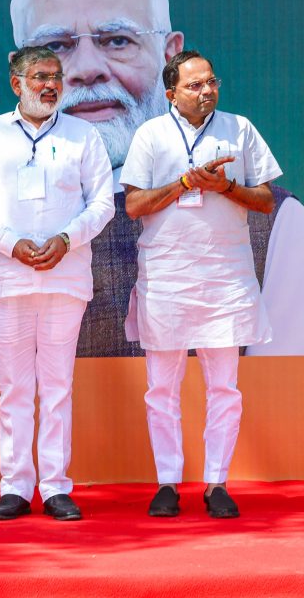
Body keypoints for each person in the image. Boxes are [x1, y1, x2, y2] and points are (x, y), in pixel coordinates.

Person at [0, 0, 303, 360]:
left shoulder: (276, 227)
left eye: (118, 40)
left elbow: (279, 408)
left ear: (169, 55)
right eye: (57, 47)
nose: (86, 69)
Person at [121, 51, 280, 519]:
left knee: (224, 387)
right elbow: (133, 205)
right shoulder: (150, 134)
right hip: (167, 277)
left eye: (211, 81)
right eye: (194, 85)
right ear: (170, 94)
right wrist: (184, 183)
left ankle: (216, 483)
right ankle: (167, 481)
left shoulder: (240, 128)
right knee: (161, 389)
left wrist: (225, 187)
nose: (206, 90)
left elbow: (266, 199)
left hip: (224, 277)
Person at [0, 47, 113, 521]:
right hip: (8, 277)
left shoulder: (83, 135)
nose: (50, 85)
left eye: (56, 77)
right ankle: (15, 486)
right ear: (16, 84)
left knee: (58, 384)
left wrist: (67, 239)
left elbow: (103, 202)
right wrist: (11, 243)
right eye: (40, 77)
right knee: (14, 387)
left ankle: (55, 485)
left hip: (65, 276)